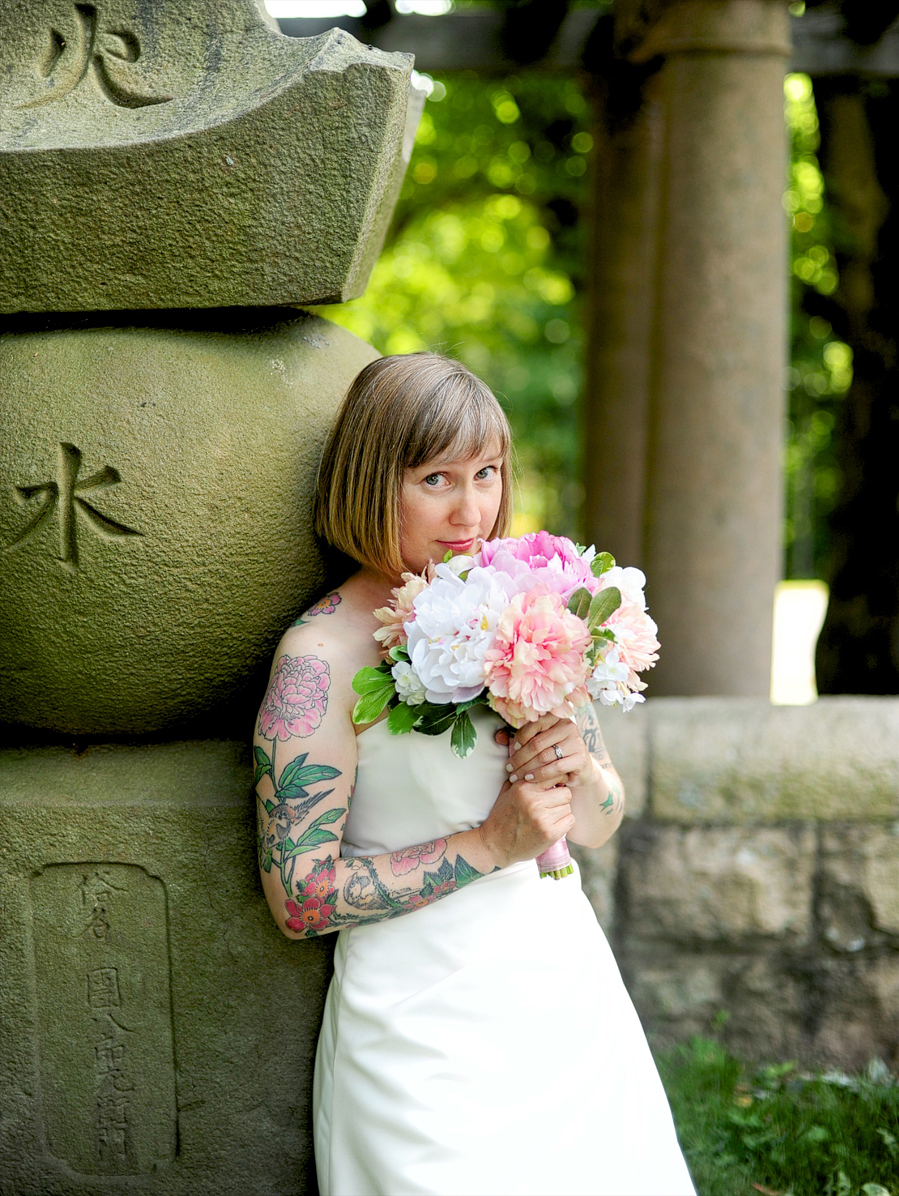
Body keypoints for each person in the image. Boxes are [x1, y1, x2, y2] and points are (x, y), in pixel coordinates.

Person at [254, 353, 695, 1196]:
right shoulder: (320, 660)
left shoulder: (530, 604)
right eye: (436, 479)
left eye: (487, 473)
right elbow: (299, 896)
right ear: (370, 481)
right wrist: (493, 843)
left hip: (565, 998)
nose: (472, 510)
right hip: (421, 1039)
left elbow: (600, 818)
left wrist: (576, 767)